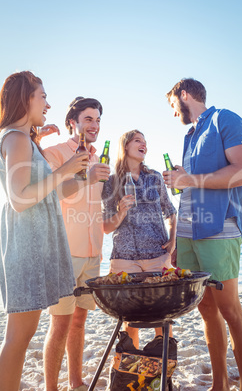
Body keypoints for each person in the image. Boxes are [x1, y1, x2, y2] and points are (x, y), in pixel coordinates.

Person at [0, 71, 93, 390]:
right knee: (17, 340)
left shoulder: (25, 140)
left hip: (37, 248)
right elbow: (19, 199)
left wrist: (84, 179)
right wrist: (64, 168)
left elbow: (48, 192)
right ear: (26, 98)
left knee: (21, 338)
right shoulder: (14, 138)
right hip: (26, 249)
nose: (48, 104)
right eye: (43, 97)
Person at [163, 78, 242, 391]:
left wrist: (191, 178)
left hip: (219, 229)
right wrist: (178, 180)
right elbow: (194, 184)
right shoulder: (190, 136)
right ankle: (219, 385)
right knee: (206, 309)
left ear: (183, 95)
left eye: (173, 105)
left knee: (229, 309)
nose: (174, 113)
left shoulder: (224, 119)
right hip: (188, 232)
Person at [42, 97, 110, 391]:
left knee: (80, 322)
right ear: (73, 122)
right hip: (65, 252)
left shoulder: (98, 159)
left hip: (93, 252)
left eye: (97, 120)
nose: (94, 125)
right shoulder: (55, 153)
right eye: (88, 119)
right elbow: (47, 195)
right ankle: (51, 388)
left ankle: (75, 381)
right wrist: (86, 178)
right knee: (59, 324)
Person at [102, 129, 176, 348]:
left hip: (157, 253)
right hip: (125, 257)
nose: (144, 144)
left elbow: (171, 212)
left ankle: (164, 369)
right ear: (125, 146)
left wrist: (173, 240)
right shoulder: (111, 182)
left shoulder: (154, 178)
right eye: (138, 141)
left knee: (162, 314)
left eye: (145, 142)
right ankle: (130, 366)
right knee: (130, 318)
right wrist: (121, 212)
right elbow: (106, 227)